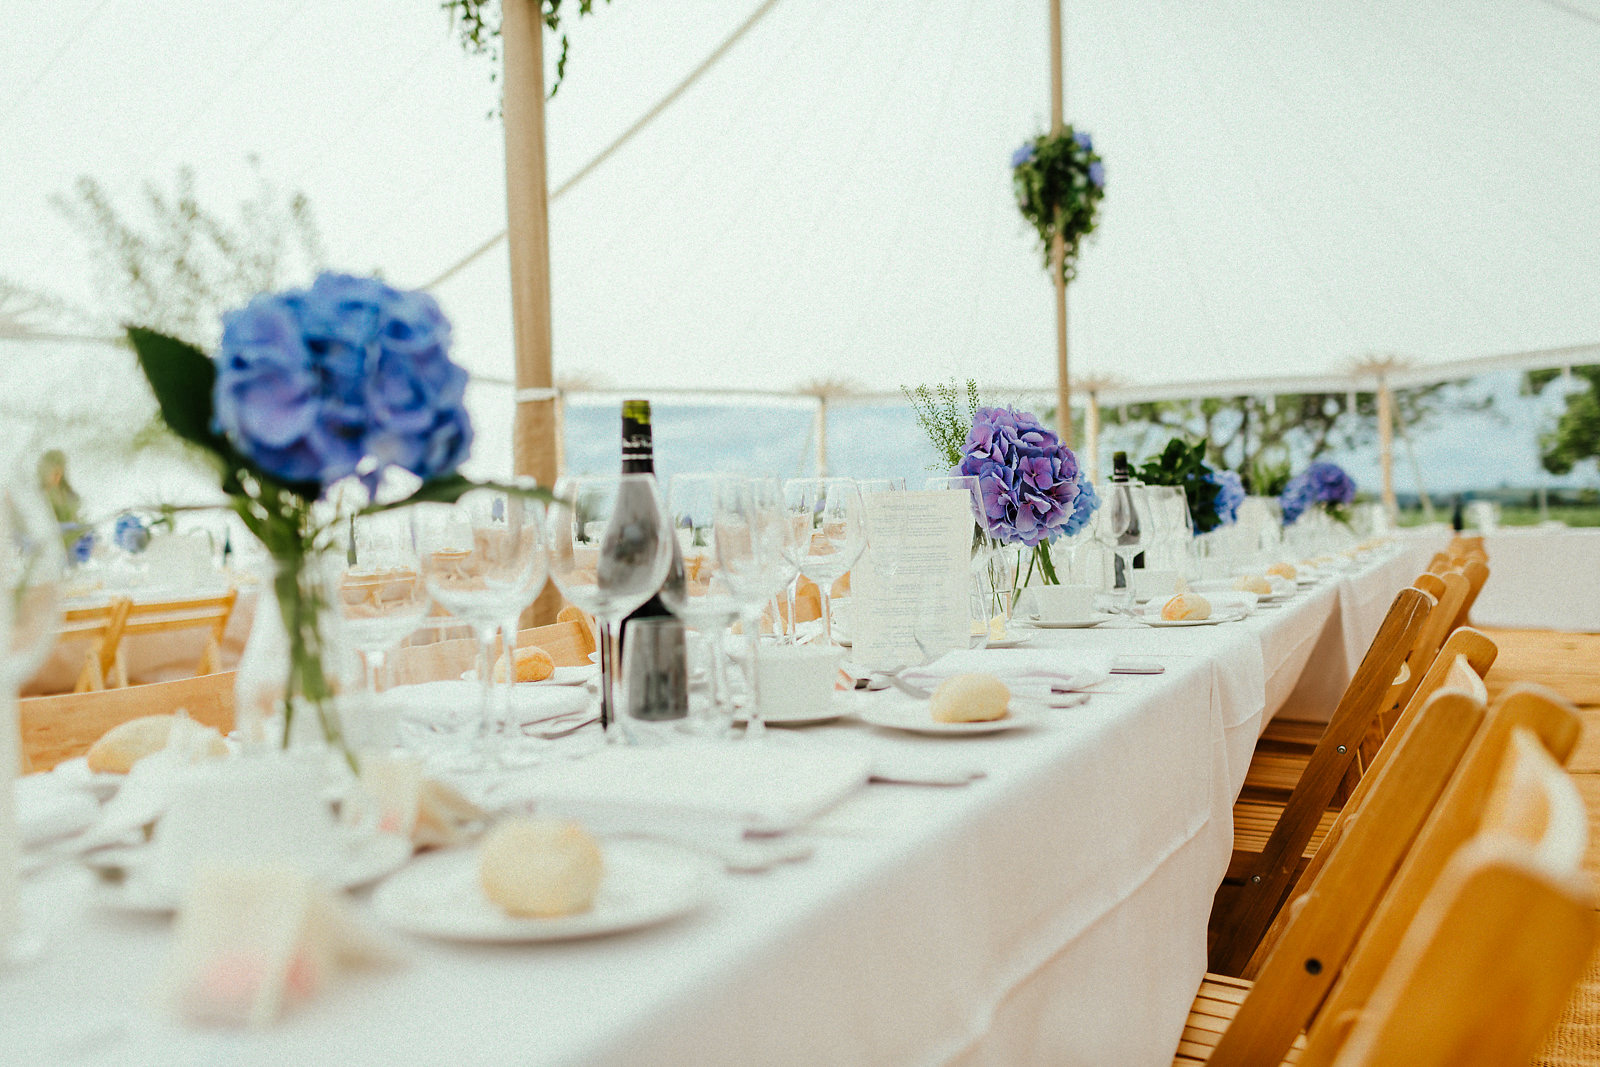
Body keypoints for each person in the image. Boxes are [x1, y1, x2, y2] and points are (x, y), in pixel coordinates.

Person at [37, 449, 83, 526]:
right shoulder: (38, 496)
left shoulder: (67, 493)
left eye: (60, 473)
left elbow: (75, 517)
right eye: (55, 473)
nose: (58, 477)